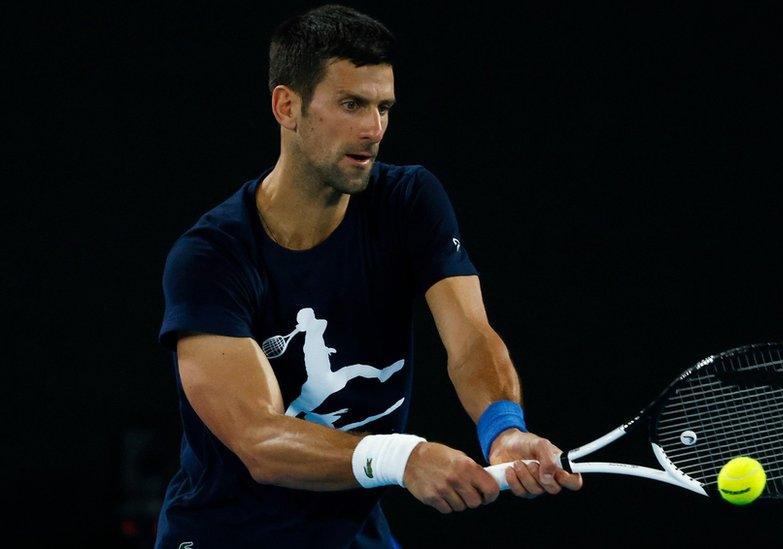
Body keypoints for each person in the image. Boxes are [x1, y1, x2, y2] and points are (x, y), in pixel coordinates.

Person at [155, 4, 581, 547]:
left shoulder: (409, 202)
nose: (373, 129)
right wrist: (401, 456)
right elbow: (258, 441)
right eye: (351, 104)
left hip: (349, 530)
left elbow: (471, 336)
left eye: (383, 107)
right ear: (287, 106)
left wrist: (504, 428)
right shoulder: (210, 258)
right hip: (227, 534)